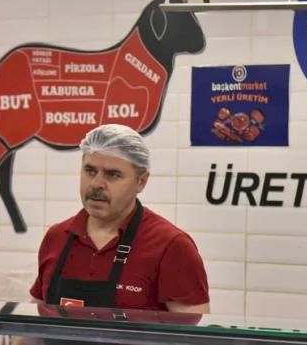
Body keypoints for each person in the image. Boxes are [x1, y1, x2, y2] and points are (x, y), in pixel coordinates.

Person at [30, 123, 209, 313]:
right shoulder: (57, 237)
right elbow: (33, 322)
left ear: (141, 182)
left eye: (113, 175)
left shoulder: (171, 246)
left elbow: (194, 329)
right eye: (90, 171)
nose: (97, 183)